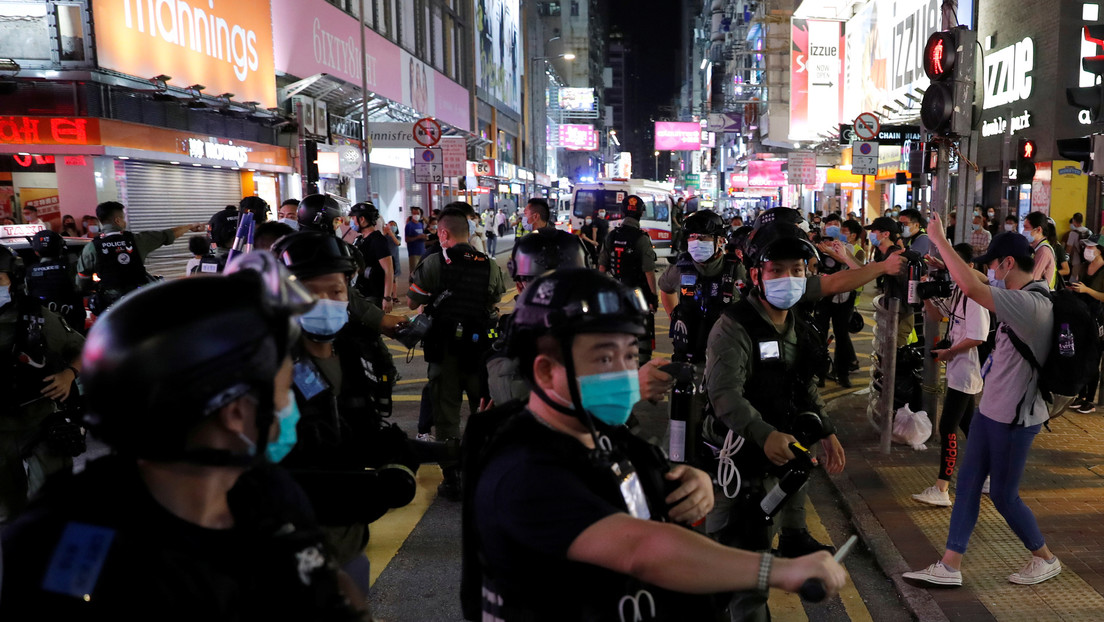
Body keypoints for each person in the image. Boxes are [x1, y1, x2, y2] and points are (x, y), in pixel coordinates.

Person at [463, 269, 847, 621]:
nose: (625, 371)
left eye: (630, 356)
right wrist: (777, 569)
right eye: (604, 358)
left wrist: (693, 480)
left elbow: (645, 492)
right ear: (546, 370)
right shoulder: (525, 470)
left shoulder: (599, 433)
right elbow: (642, 549)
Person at [0, 264, 366, 620]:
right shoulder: (68, 547)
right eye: (285, 391)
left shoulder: (266, 493)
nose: (290, 407)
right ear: (236, 412)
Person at [905, 214, 1061, 588]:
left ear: (1008, 264)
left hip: (1015, 420)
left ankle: (1046, 558)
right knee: (969, 486)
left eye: (991, 264)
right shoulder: (1018, 296)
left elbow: (975, 290)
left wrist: (939, 239)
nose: (988, 271)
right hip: (992, 411)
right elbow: (975, 282)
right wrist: (945, 263)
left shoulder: (1032, 304)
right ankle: (949, 564)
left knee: (1005, 497)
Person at [702, 218, 846, 621]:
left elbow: (802, 383)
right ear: (755, 275)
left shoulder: (797, 323)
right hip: (733, 467)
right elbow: (724, 395)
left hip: (776, 462)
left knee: (762, 559)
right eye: (777, 271)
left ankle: (794, 535)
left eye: (797, 271)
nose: (789, 279)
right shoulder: (733, 326)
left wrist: (828, 431)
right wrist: (764, 435)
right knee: (735, 570)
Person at [269, 235, 418, 594]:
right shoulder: (267, 364)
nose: (325, 302)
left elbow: (353, 430)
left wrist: (397, 454)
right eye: (309, 291)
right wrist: (363, 491)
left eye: (335, 291)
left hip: (349, 544)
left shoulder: (354, 349)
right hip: (287, 554)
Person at [408, 204, 506, 500]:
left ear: (443, 233)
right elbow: (496, 297)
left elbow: (413, 302)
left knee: (446, 415)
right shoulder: (489, 264)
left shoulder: (436, 262)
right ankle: (482, 471)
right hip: (479, 352)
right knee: (484, 410)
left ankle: (453, 478)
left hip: (444, 351)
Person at [0, 243, 85, 521]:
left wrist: (69, 374)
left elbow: (84, 348)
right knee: (7, 511)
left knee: (52, 503)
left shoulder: (35, 317)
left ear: (13, 279)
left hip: (39, 420)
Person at [912, 243, 989, 507]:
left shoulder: (976, 296)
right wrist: (924, 293)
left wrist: (950, 353)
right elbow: (937, 314)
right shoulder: (957, 291)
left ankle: (942, 488)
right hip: (957, 369)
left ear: (967, 267)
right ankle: (987, 476)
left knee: (947, 427)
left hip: (966, 371)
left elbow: (977, 337)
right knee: (969, 426)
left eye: (953, 263)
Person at [76, 201, 205, 315]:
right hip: (138, 302)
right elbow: (168, 235)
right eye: (123, 218)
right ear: (117, 221)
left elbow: (82, 280)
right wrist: (189, 227)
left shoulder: (91, 248)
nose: (125, 221)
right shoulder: (137, 241)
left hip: (111, 307)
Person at [599, 194, 658, 362]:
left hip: (615, 291)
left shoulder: (612, 236)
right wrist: (653, 296)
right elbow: (648, 271)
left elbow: (602, 267)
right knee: (643, 332)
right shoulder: (641, 238)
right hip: (638, 293)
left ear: (622, 212)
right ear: (641, 213)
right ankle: (642, 369)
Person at [1069, 233, 1104, 413]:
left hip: (1098, 318)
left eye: (1091, 247)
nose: (1087, 250)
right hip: (1083, 315)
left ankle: (1090, 399)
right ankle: (1080, 394)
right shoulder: (1084, 266)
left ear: (1100, 250)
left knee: (1093, 357)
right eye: (1086, 247)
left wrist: (1086, 290)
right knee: (1081, 355)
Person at [26, 230, 85, 332]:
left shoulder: (29, 272)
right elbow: (82, 287)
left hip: (43, 326)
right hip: (72, 323)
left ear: (36, 251)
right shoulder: (71, 268)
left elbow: (27, 295)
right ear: (60, 247)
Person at [348, 202, 396, 312]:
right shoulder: (360, 239)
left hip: (373, 296)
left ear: (362, 219)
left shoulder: (377, 240)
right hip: (362, 292)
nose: (351, 222)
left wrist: (387, 297)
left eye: (353, 218)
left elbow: (389, 270)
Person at [1023, 212, 1057, 289]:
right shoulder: (1035, 247)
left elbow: (1033, 278)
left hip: (1042, 296)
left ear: (1038, 229)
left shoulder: (1043, 251)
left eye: (1026, 228)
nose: (1024, 231)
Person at [405, 206, 428, 274]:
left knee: (422, 271)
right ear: (412, 214)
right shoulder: (409, 225)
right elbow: (407, 239)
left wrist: (424, 237)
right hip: (414, 252)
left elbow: (428, 223)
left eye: (418, 213)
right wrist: (417, 237)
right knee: (414, 272)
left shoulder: (420, 224)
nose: (416, 215)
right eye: (414, 213)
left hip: (422, 251)